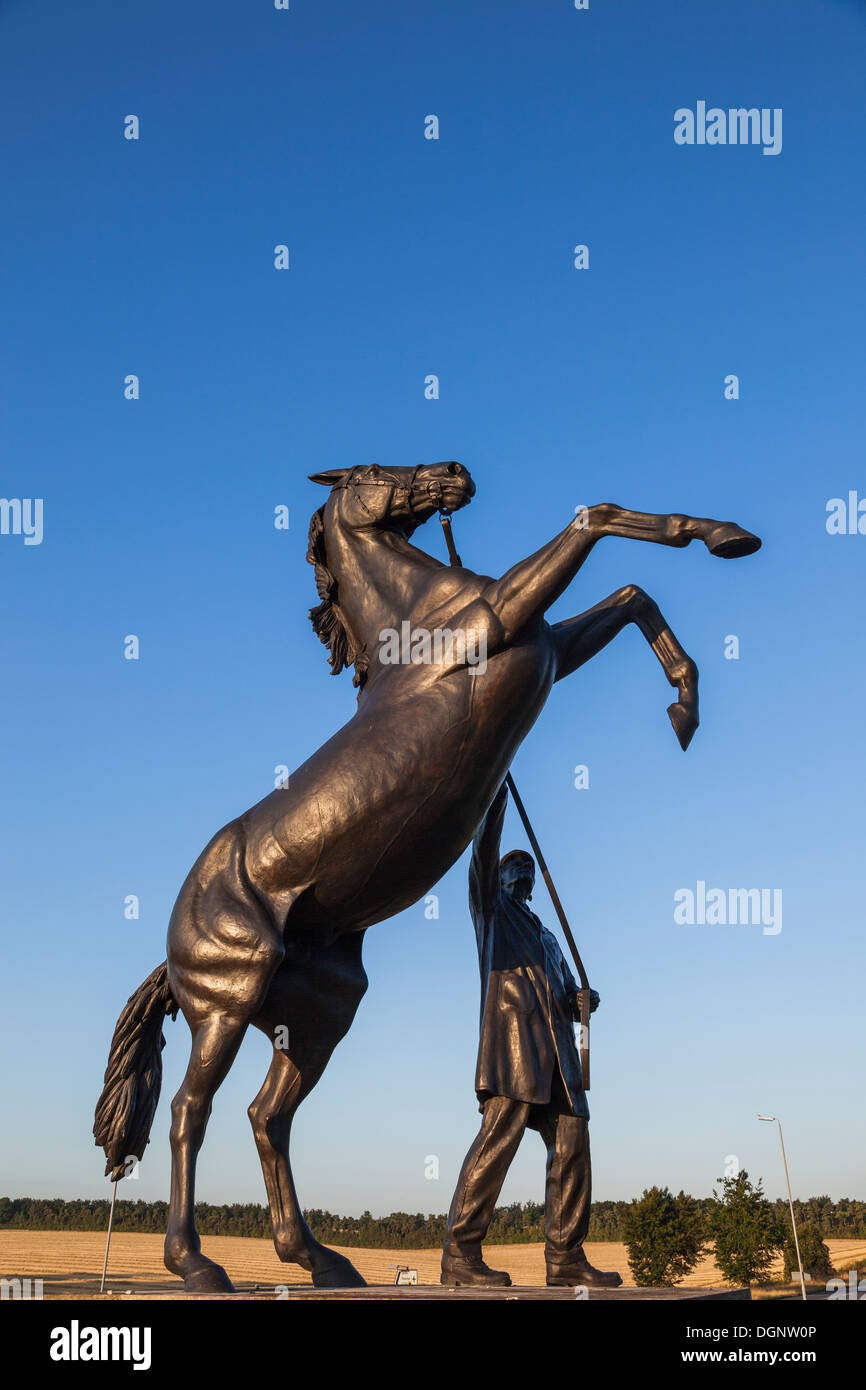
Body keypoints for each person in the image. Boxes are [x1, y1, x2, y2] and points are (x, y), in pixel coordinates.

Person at [441, 781, 622, 1289]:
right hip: (514, 1051)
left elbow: (566, 995)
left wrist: (583, 1002)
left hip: (559, 1056)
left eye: (526, 865)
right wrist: (494, 785)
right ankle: (461, 1251)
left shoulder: (545, 933)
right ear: (499, 875)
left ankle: (565, 1256)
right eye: (512, 863)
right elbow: (482, 851)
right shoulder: (491, 913)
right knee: (499, 1139)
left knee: (572, 1142)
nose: (520, 868)